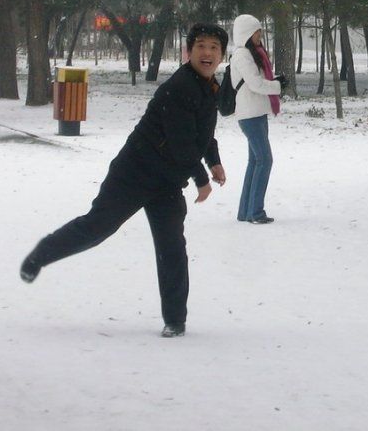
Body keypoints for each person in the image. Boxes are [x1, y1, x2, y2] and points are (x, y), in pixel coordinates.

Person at [19, 23, 229, 338]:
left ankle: (175, 320)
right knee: (96, 229)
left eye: (214, 47)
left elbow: (203, 134)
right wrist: (202, 178)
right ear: (189, 51)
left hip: (167, 183)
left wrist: (214, 161)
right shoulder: (181, 86)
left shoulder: (209, 87)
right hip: (134, 173)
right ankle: (41, 254)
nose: (207, 53)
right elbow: (182, 141)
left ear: (222, 55)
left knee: (172, 247)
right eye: (201, 46)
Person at [230, 14, 286, 224]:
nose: (260, 35)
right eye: (257, 32)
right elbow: (255, 84)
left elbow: (260, 81)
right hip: (249, 114)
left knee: (255, 161)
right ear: (246, 33)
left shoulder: (253, 53)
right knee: (265, 159)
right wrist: (278, 86)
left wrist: (275, 81)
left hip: (257, 111)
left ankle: (246, 211)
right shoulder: (243, 55)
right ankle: (256, 212)